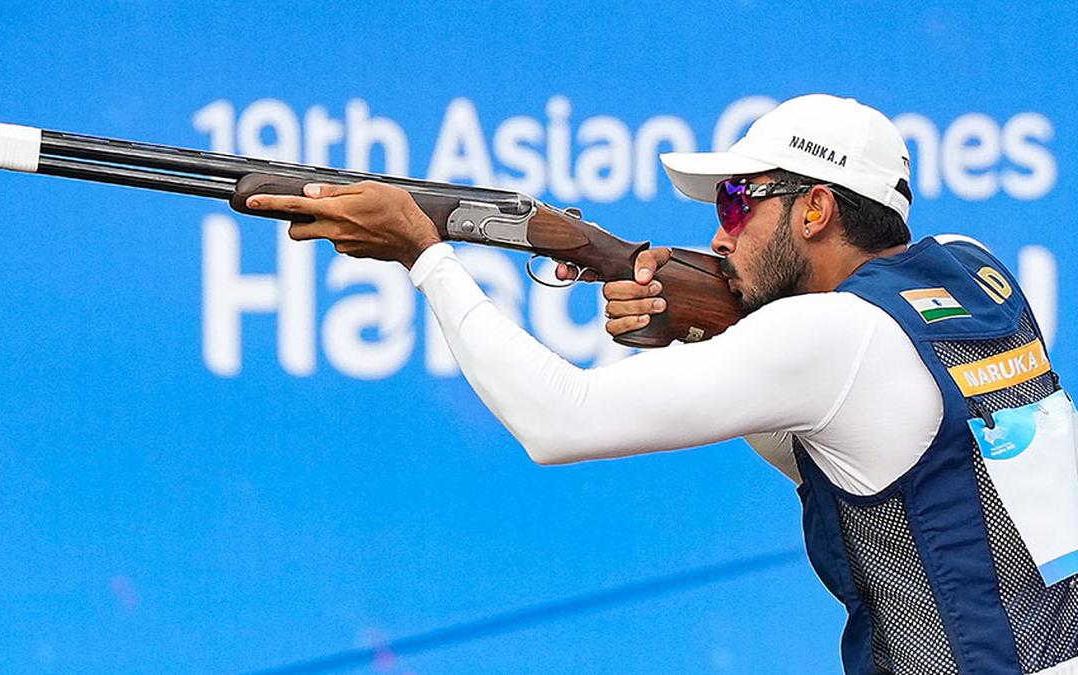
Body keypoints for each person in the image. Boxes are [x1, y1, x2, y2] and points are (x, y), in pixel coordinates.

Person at [245, 94, 1078, 675]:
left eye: (738, 203)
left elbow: (558, 422)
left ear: (815, 210)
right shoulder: (973, 271)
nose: (719, 234)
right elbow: (861, 450)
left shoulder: (834, 335)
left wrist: (425, 256)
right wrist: (700, 326)